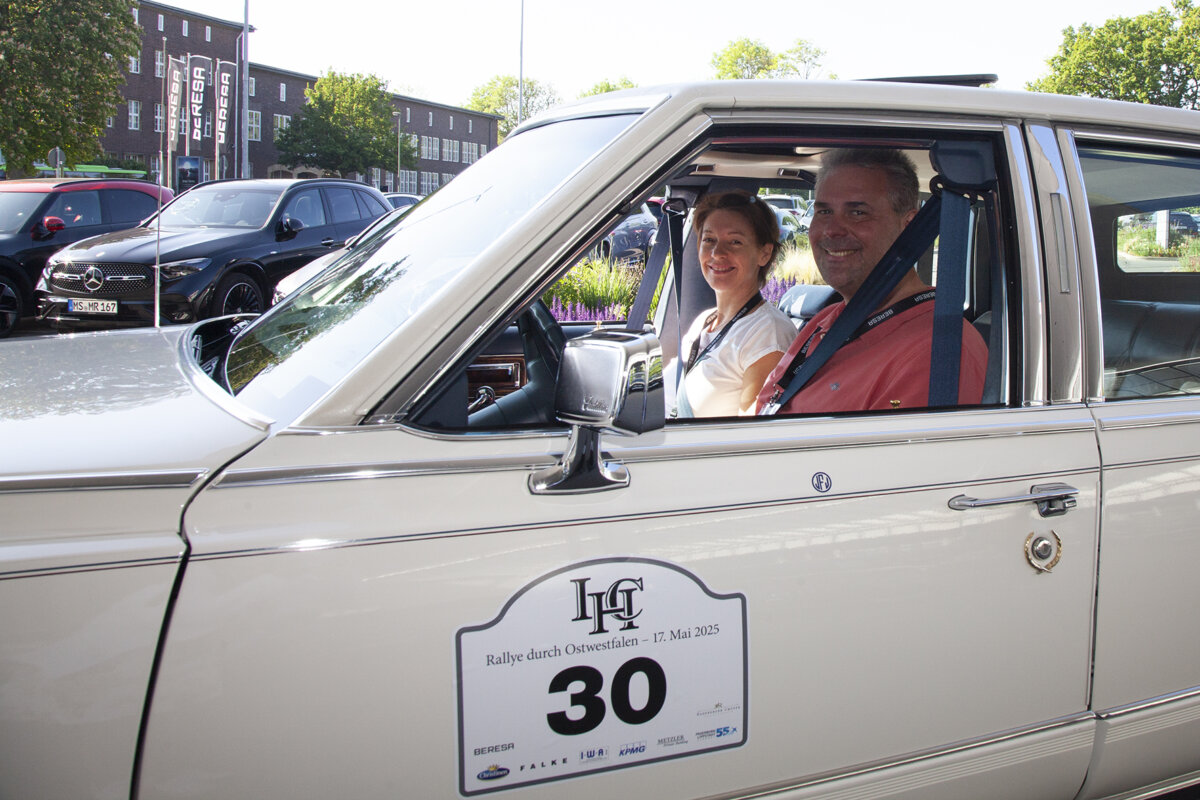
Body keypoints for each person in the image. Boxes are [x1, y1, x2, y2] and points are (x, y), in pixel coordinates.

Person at [756, 149, 988, 415]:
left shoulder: (941, 351)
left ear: (909, 227)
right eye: (824, 211)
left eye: (857, 212)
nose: (832, 229)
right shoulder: (825, 321)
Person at [673, 191, 797, 417]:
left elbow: (749, 432)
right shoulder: (705, 321)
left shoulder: (768, 334)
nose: (717, 253)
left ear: (764, 253)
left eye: (735, 242)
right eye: (709, 240)